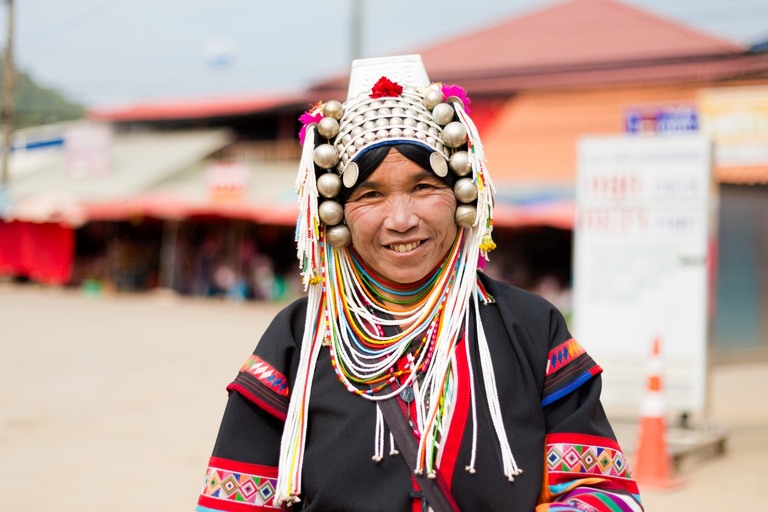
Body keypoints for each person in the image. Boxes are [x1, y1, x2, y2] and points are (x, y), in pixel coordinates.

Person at [196, 55, 643, 512]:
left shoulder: (531, 327)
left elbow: (605, 494)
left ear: (464, 194)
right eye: (370, 195)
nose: (402, 219)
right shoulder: (299, 341)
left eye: (425, 186)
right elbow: (229, 503)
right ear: (334, 215)